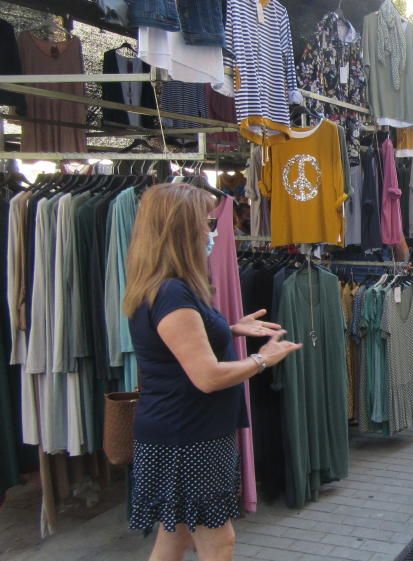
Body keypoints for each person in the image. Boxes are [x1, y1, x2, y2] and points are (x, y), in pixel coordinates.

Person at [122, 184, 302, 561]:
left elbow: (178, 344)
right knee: (219, 542)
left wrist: (231, 328)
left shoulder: (165, 286)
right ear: (181, 230)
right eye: (206, 223)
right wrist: (263, 359)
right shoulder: (172, 293)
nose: (213, 231)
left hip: (182, 433)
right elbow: (206, 376)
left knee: (176, 538)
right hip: (187, 438)